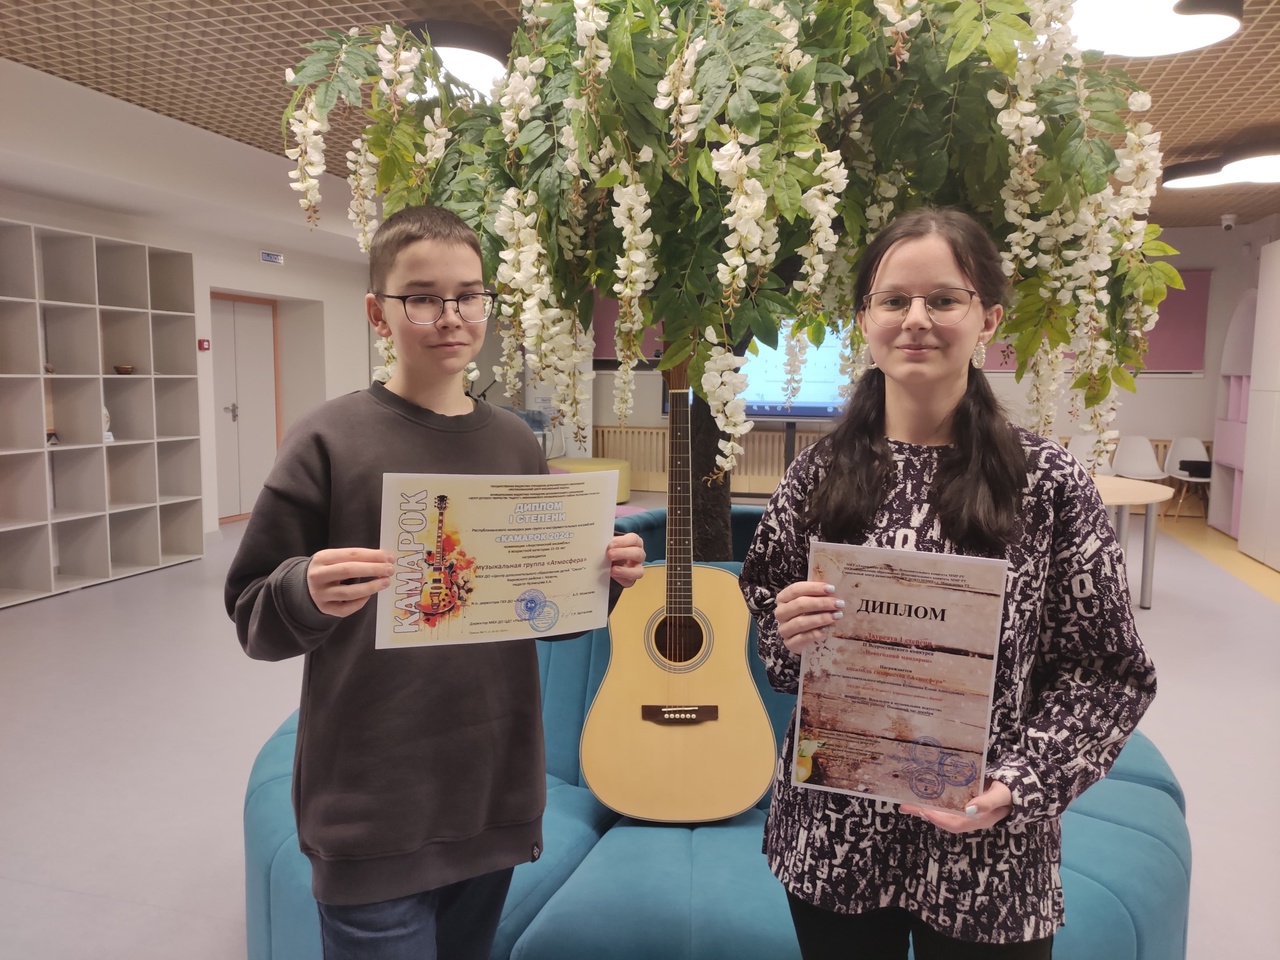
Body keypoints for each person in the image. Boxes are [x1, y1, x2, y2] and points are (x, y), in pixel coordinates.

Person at [225, 205, 646, 960]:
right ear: (377, 314)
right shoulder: (329, 439)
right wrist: (304, 590)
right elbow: (253, 612)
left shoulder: (514, 442)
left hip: (490, 796)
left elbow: (541, 612)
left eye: (469, 295)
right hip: (372, 805)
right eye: (422, 297)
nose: (451, 317)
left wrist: (599, 579)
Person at [739, 207, 1156, 959]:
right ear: (864, 319)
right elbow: (773, 634)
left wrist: (1022, 785)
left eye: (943, 299)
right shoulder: (814, 475)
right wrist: (787, 631)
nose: (916, 319)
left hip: (987, 847)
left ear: (987, 318)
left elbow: (1108, 674)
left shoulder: (1047, 483)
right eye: (893, 300)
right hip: (834, 835)